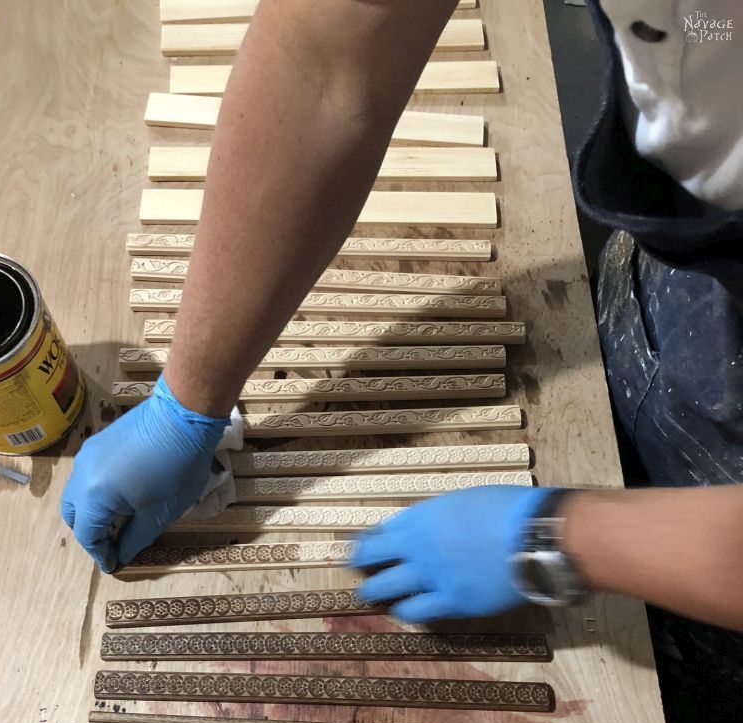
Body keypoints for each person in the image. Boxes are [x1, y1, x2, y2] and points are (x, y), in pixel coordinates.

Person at [62, 1, 743, 654]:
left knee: (680, 658)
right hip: (695, 258)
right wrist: (186, 402)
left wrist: (571, 539)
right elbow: (324, 61)